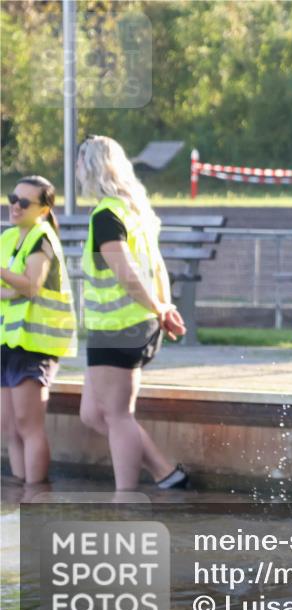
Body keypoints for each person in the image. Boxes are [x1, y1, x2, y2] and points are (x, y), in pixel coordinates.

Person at [75, 135, 189, 491]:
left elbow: (127, 273)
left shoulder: (107, 215)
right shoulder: (131, 210)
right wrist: (164, 307)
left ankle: (124, 499)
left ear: (91, 167)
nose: (76, 171)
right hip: (120, 326)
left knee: (118, 416)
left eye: (79, 163)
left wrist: (159, 308)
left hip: (120, 327)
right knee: (92, 414)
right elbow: (156, 267)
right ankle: (166, 473)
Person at [1, 176, 76, 486]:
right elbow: (10, 291)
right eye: (12, 198)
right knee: (7, 427)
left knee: (27, 424)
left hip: (35, 343)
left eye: (24, 203)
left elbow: (31, 286)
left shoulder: (42, 238)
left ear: (44, 210)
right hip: (8, 340)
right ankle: (19, 494)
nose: (15, 206)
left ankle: (35, 497)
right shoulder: (8, 237)